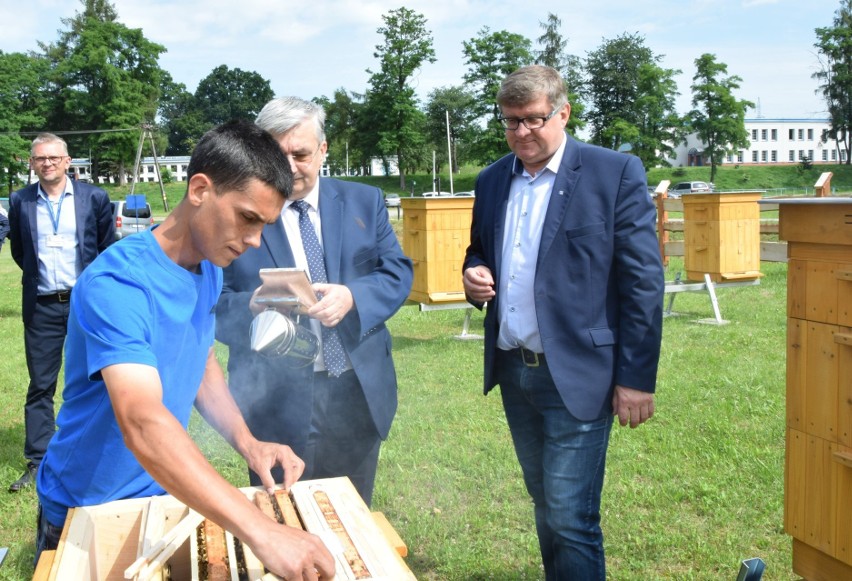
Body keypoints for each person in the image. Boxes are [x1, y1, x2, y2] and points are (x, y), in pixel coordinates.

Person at [34, 120, 334, 580]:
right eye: (248, 218)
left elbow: (200, 357)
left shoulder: (208, 263)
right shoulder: (118, 283)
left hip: (163, 492)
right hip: (88, 506)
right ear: (199, 189)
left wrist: (247, 442)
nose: (254, 240)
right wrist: (262, 530)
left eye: (265, 225)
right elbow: (141, 419)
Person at [462, 65, 664, 580]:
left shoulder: (612, 172)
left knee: (572, 516)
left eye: (533, 120)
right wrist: (473, 272)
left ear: (563, 112)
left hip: (578, 372)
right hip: (514, 370)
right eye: (510, 123)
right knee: (545, 503)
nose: (521, 134)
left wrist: (636, 379)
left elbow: (642, 283)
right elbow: (479, 249)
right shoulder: (491, 180)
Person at [216, 97, 413, 506]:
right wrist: (252, 308)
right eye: (277, 153)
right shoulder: (238, 212)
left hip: (355, 392)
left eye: (301, 153)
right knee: (282, 517)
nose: (289, 166)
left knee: (350, 513)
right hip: (273, 403)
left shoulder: (364, 201)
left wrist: (353, 296)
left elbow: (397, 272)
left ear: (323, 150)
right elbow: (210, 303)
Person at [7, 134, 114, 492]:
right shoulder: (20, 200)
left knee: (97, 379)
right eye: (40, 158)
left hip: (85, 305)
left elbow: (104, 249)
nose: (47, 163)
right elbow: (21, 253)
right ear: (32, 163)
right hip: (42, 306)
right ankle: (39, 461)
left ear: (68, 161)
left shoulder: (94, 198)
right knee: (41, 385)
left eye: (54, 157)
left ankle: (99, 454)